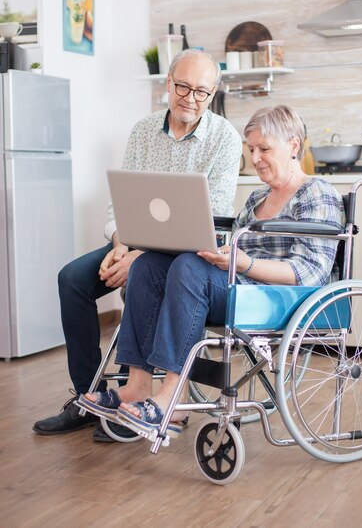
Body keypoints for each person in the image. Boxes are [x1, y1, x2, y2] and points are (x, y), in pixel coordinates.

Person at [78, 104, 345, 438]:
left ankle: (172, 397)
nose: (256, 157)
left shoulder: (317, 192)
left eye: (264, 149)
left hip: (281, 297)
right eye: (252, 149)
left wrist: (242, 263)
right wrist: (219, 253)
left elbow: (309, 272)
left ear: (293, 146)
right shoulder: (257, 198)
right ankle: (138, 385)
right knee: (147, 266)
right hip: (240, 286)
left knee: (190, 268)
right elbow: (237, 253)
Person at [33, 49, 242, 438]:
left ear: (212, 94)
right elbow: (121, 201)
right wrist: (119, 244)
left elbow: (209, 217)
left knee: (146, 273)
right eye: (183, 86)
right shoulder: (144, 131)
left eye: (202, 92)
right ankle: (88, 397)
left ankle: (138, 399)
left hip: (186, 253)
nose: (190, 99)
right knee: (72, 279)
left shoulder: (224, 139)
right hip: (132, 242)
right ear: (168, 82)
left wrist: (140, 255)